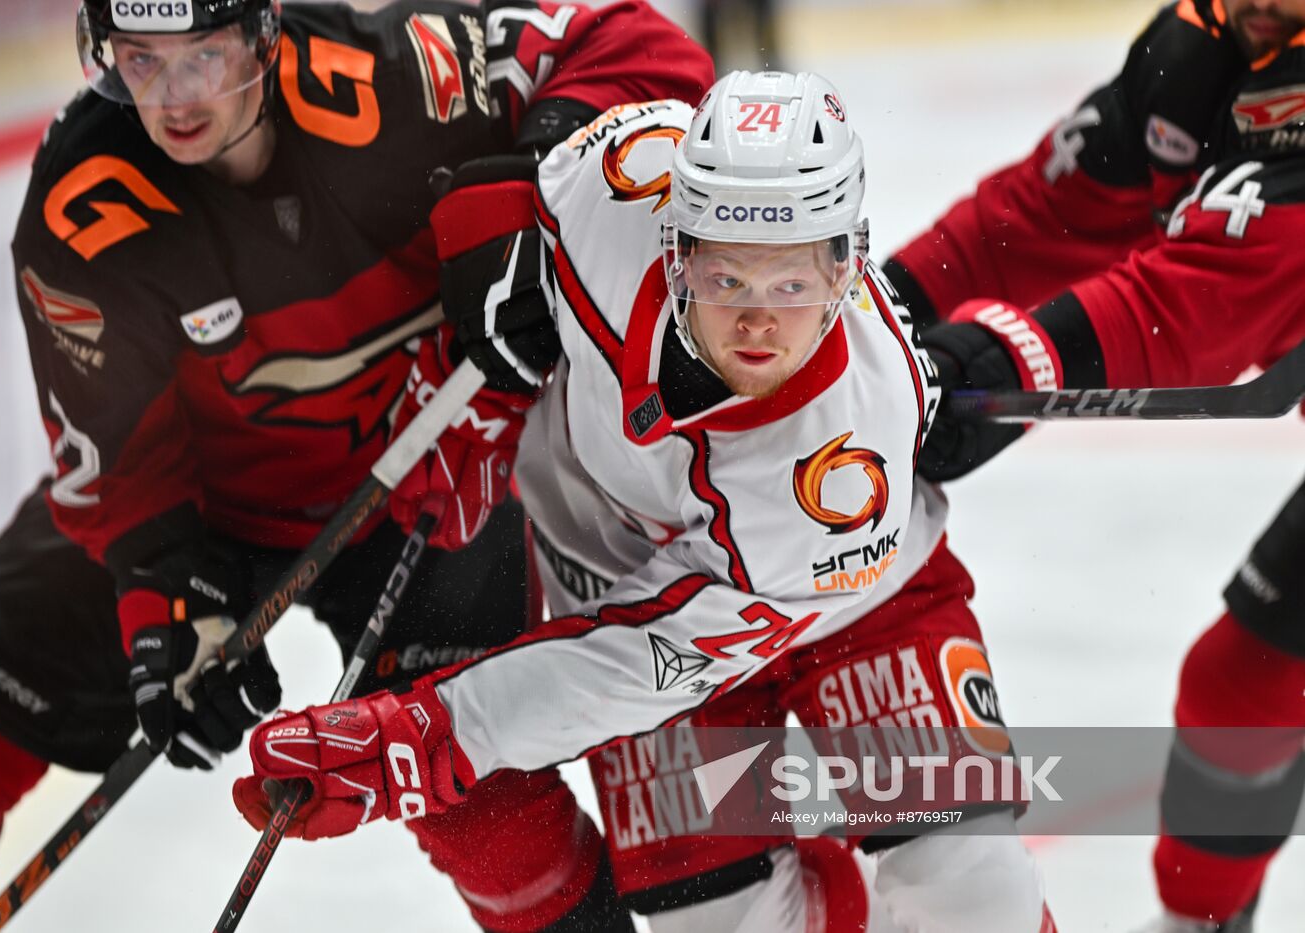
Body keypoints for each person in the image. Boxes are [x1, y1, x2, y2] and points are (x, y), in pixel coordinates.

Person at [0, 1, 713, 930]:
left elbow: (628, 42)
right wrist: (163, 606)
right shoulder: (81, 206)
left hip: (427, 479)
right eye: (140, 60)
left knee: (485, 811)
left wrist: (545, 172)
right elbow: (117, 466)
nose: (174, 97)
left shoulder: (400, 80)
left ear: (262, 30)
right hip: (202, 511)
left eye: (202, 54)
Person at [233, 69, 1059, 932]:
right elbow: (527, 166)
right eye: (726, 278)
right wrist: (478, 332)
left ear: (847, 264)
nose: (757, 325)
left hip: (851, 604)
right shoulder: (623, 181)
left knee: (973, 894)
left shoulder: (848, 465)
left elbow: (634, 666)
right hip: (617, 570)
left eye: (791, 284)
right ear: (675, 243)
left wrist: (427, 737)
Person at [883, 1, 1305, 929]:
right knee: (1241, 683)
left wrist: (1008, 370)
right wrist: (865, 316)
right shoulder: (1193, 57)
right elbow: (1033, 214)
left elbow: (1202, 303)